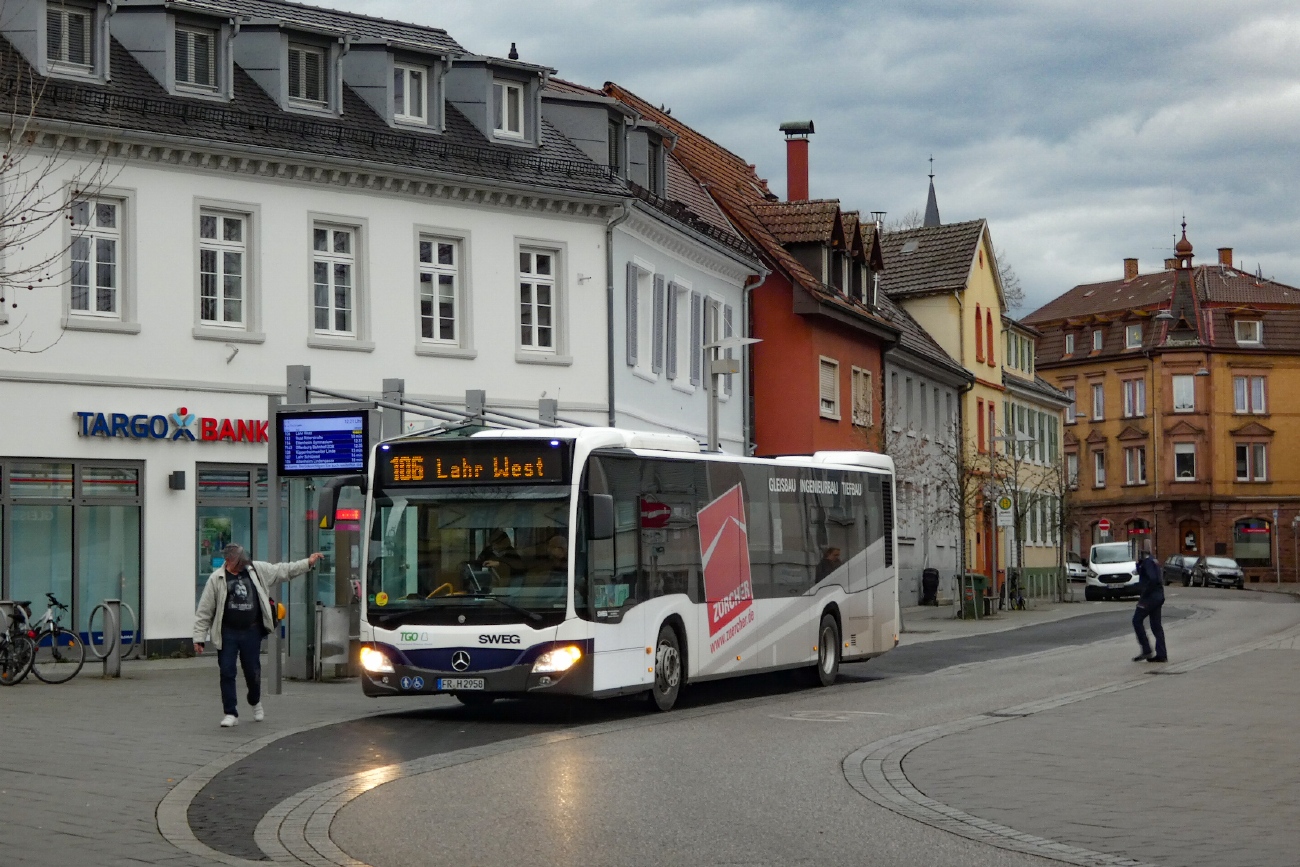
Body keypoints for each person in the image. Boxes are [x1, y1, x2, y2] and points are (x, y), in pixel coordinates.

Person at [193, 543, 323, 727]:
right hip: (228, 633)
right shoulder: (217, 579)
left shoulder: (255, 570)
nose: (243, 563)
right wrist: (199, 638)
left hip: (251, 631)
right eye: (239, 561)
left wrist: (307, 563)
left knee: (253, 671)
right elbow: (204, 611)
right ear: (228, 561)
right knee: (227, 671)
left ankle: (255, 701)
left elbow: (282, 570)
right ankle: (230, 713)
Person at [1133, 549, 1167, 663]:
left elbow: (1152, 579)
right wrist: (1138, 565)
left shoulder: (1147, 562)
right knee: (1156, 625)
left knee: (1136, 620)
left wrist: (1145, 593)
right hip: (1158, 596)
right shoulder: (1154, 561)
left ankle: (1146, 649)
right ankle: (1162, 654)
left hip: (1150, 598)